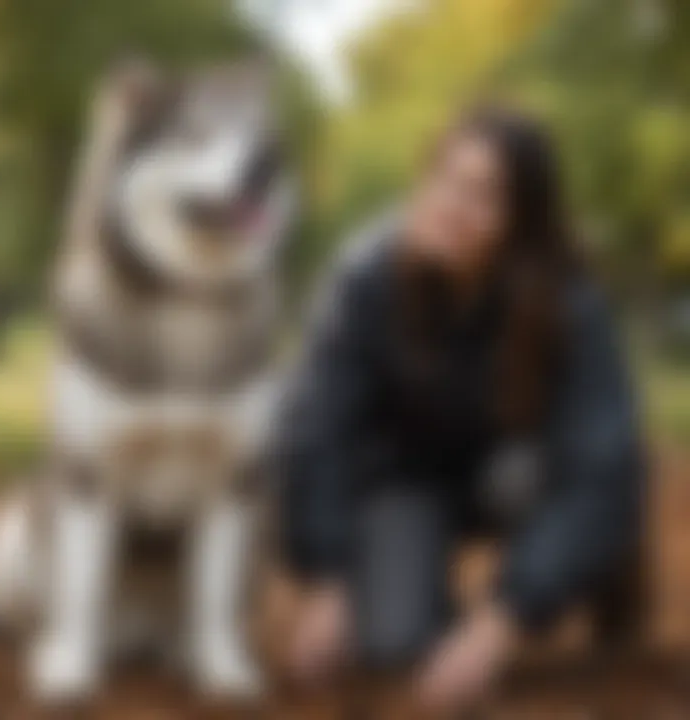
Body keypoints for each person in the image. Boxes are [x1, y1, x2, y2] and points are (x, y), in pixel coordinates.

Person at [276, 107, 644, 714]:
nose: (451, 205)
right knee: (392, 641)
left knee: (595, 486)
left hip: (523, 471)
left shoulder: (571, 301)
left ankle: (605, 570)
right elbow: (319, 427)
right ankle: (428, 603)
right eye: (445, 179)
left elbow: (601, 468)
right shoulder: (366, 276)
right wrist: (327, 579)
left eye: (483, 195)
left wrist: (501, 622)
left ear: (522, 221)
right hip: (409, 476)